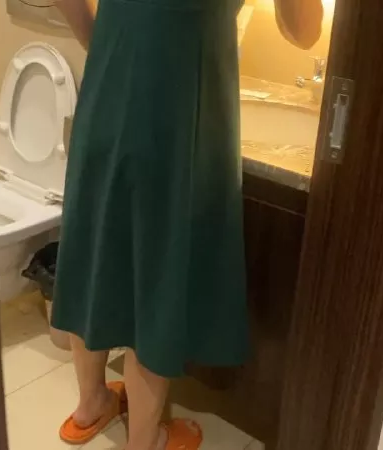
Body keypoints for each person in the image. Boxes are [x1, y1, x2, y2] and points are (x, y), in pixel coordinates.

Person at [51, 0, 323, 449]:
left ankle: (91, 403)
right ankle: (146, 441)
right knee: (158, 268)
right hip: (179, 103)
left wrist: (108, 39)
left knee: (95, 244)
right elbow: (305, 31)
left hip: (108, 83)